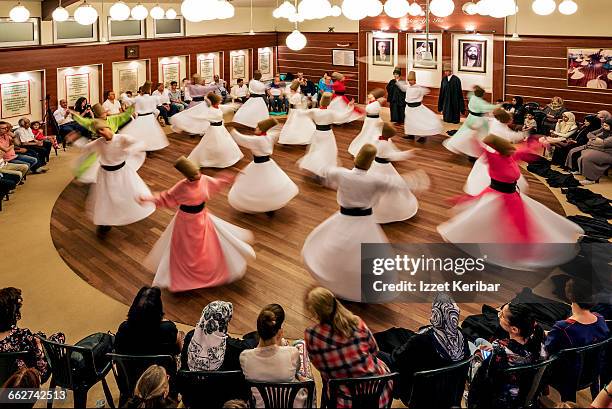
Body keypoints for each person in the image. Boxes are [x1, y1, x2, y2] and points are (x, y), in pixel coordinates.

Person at [302, 144, 429, 301]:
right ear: (370, 163)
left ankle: (337, 280)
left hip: (343, 219)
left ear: (356, 159)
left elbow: (323, 173)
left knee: (335, 249)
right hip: (365, 223)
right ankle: (358, 287)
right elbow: (400, 183)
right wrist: (420, 178)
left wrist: (314, 170)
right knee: (366, 257)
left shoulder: (342, 174)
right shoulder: (375, 179)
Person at [438, 135, 584, 270]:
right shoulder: (494, 158)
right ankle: (515, 251)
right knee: (495, 221)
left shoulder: (510, 156)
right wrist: (475, 137)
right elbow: (480, 148)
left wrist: (539, 141)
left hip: (511, 195)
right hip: (498, 196)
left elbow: (526, 150)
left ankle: (517, 248)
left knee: (518, 223)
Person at [141, 156, 255, 292]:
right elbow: (166, 197)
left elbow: (217, 182)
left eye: (198, 172)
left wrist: (231, 176)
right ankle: (185, 276)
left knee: (208, 245)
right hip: (186, 221)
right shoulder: (181, 187)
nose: (198, 175)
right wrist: (149, 198)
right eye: (194, 174)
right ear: (187, 176)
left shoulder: (204, 179)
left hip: (202, 217)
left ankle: (208, 268)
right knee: (187, 249)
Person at [304, 287, 393, 408]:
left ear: (315, 313)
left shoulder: (312, 335)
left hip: (344, 401)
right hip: (379, 393)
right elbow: (374, 350)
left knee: (327, 380)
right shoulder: (357, 322)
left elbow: (319, 366)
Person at [378, 293, 469, 406]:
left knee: (379, 354)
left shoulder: (422, 340)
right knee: (401, 335)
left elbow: (397, 359)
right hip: (450, 397)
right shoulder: (463, 337)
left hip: (418, 397)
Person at [76, 119, 155, 236]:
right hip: (105, 175)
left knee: (129, 193)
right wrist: (76, 140)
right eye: (98, 132)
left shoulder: (122, 138)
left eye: (102, 130)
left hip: (122, 173)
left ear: (109, 128)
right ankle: (104, 223)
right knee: (104, 199)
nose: (101, 133)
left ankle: (133, 210)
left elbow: (140, 144)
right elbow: (86, 148)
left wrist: (130, 149)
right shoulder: (99, 142)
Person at [468, 302, 546, 409]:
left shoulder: (500, 350)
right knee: (479, 340)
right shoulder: (538, 339)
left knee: (473, 348)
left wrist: (479, 355)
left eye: (502, 315)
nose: (499, 315)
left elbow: (484, 379)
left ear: (514, 329)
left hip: (501, 398)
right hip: (520, 392)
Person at [240, 307, 311, 408]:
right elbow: (297, 371)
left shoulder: (245, 357)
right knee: (301, 344)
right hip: (293, 404)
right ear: (280, 332)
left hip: (262, 406)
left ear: (258, 332)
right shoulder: (292, 352)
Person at [228, 119, 298, 214]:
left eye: (257, 128)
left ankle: (261, 205)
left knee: (256, 185)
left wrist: (232, 131)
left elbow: (242, 139)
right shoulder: (268, 137)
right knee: (270, 184)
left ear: (261, 130)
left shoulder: (257, 140)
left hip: (258, 165)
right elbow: (275, 133)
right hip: (269, 163)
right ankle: (271, 204)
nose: (255, 129)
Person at [0, 287, 65, 383]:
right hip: (24, 381)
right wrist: (38, 344)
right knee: (58, 337)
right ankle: (63, 377)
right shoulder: (22, 336)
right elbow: (40, 368)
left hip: (4, 381)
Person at [464, 108, 529, 196]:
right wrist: (525, 134)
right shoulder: (505, 132)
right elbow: (516, 137)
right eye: (511, 119)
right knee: (500, 173)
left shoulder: (495, 122)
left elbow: (487, 118)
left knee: (484, 169)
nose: (512, 120)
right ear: (507, 120)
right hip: (499, 154)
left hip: (490, 151)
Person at [181, 301, 256, 372]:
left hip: (190, 381)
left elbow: (183, 360)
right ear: (224, 324)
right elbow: (252, 344)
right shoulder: (231, 346)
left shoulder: (190, 336)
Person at [370, 123, 420, 224]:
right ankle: (386, 213)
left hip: (374, 165)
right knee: (390, 187)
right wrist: (410, 153)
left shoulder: (377, 139)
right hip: (384, 167)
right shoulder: (384, 144)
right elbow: (394, 155)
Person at [115, 286, 184, 357]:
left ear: (134, 307)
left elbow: (117, 350)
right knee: (181, 335)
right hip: (160, 367)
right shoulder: (168, 328)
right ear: (158, 310)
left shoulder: (124, 328)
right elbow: (177, 350)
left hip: (130, 367)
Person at [296, 93, 353, 176]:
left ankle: (315, 164)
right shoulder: (331, 112)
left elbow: (301, 113)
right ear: (329, 102)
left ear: (320, 101)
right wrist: (349, 107)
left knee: (317, 148)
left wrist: (300, 104)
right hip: (327, 134)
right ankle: (323, 167)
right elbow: (343, 117)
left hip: (317, 133)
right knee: (327, 150)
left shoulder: (314, 111)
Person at [187, 93, 243, 168]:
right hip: (214, 129)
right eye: (218, 100)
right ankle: (213, 160)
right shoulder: (209, 110)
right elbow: (201, 117)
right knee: (213, 144)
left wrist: (237, 105)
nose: (220, 101)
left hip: (221, 128)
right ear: (214, 101)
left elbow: (228, 107)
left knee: (225, 143)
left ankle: (225, 158)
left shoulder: (218, 107)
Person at [443, 85, 497, 158]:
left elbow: (469, 94)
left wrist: (475, 88)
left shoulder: (472, 98)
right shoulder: (480, 102)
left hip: (470, 118)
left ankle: (468, 151)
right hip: (478, 120)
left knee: (465, 133)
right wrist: (499, 105)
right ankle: (472, 153)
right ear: (482, 94)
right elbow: (490, 107)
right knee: (478, 136)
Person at [397, 71, 443, 143]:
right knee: (409, 122)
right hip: (409, 108)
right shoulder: (408, 87)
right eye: (409, 80)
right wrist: (398, 79)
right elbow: (402, 86)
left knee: (419, 122)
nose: (410, 82)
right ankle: (411, 135)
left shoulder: (419, 88)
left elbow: (427, 90)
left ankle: (423, 136)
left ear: (415, 80)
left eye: (411, 80)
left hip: (417, 108)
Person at [133, 81, 169, 151]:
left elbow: (131, 104)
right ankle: (149, 146)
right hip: (149, 117)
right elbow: (156, 107)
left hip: (142, 117)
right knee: (150, 132)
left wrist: (124, 95)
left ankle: (145, 146)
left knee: (143, 133)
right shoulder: (153, 98)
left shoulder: (139, 98)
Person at [348, 88, 385, 157]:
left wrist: (353, 107)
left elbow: (365, 111)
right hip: (370, 120)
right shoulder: (372, 102)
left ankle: (373, 150)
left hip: (373, 121)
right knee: (367, 133)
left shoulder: (375, 104)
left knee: (372, 134)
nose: (368, 95)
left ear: (375, 96)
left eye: (370, 94)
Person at [576, 117, 612, 185]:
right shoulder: (603, 129)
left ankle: (591, 179)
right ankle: (585, 174)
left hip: (609, 153)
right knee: (583, 153)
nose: (604, 127)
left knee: (587, 157)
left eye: (606, 126)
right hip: (600, 150)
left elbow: (604, 144)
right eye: (603, 125)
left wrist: (591, 141)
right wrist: (596, 139)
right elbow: (589, 134)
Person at [279, 80, 315, 145]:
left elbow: (292, 102)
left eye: (291, 90)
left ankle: (295, 138)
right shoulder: (294, 94)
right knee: (290, 123)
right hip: (292, 110)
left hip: (296, 111)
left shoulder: (297, 95)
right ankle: (288, 138)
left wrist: (288, 96)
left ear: (294, 89)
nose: (290, 91)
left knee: (294, 124)